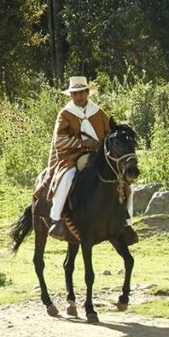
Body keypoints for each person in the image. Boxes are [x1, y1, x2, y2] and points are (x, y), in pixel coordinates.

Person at [41, 76, 112, 241]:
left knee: (123, 181)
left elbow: (109, 133)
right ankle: (57, 219)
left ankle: (125, 221)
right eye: (74, 93)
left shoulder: (98, 112)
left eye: (81, 92)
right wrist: (81, 143)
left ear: (87, 92)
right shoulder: (65, 114)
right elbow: (59, 140)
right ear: (71, 95)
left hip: (98, 155)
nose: (78, 96)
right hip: (72, 156)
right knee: (66, 177)